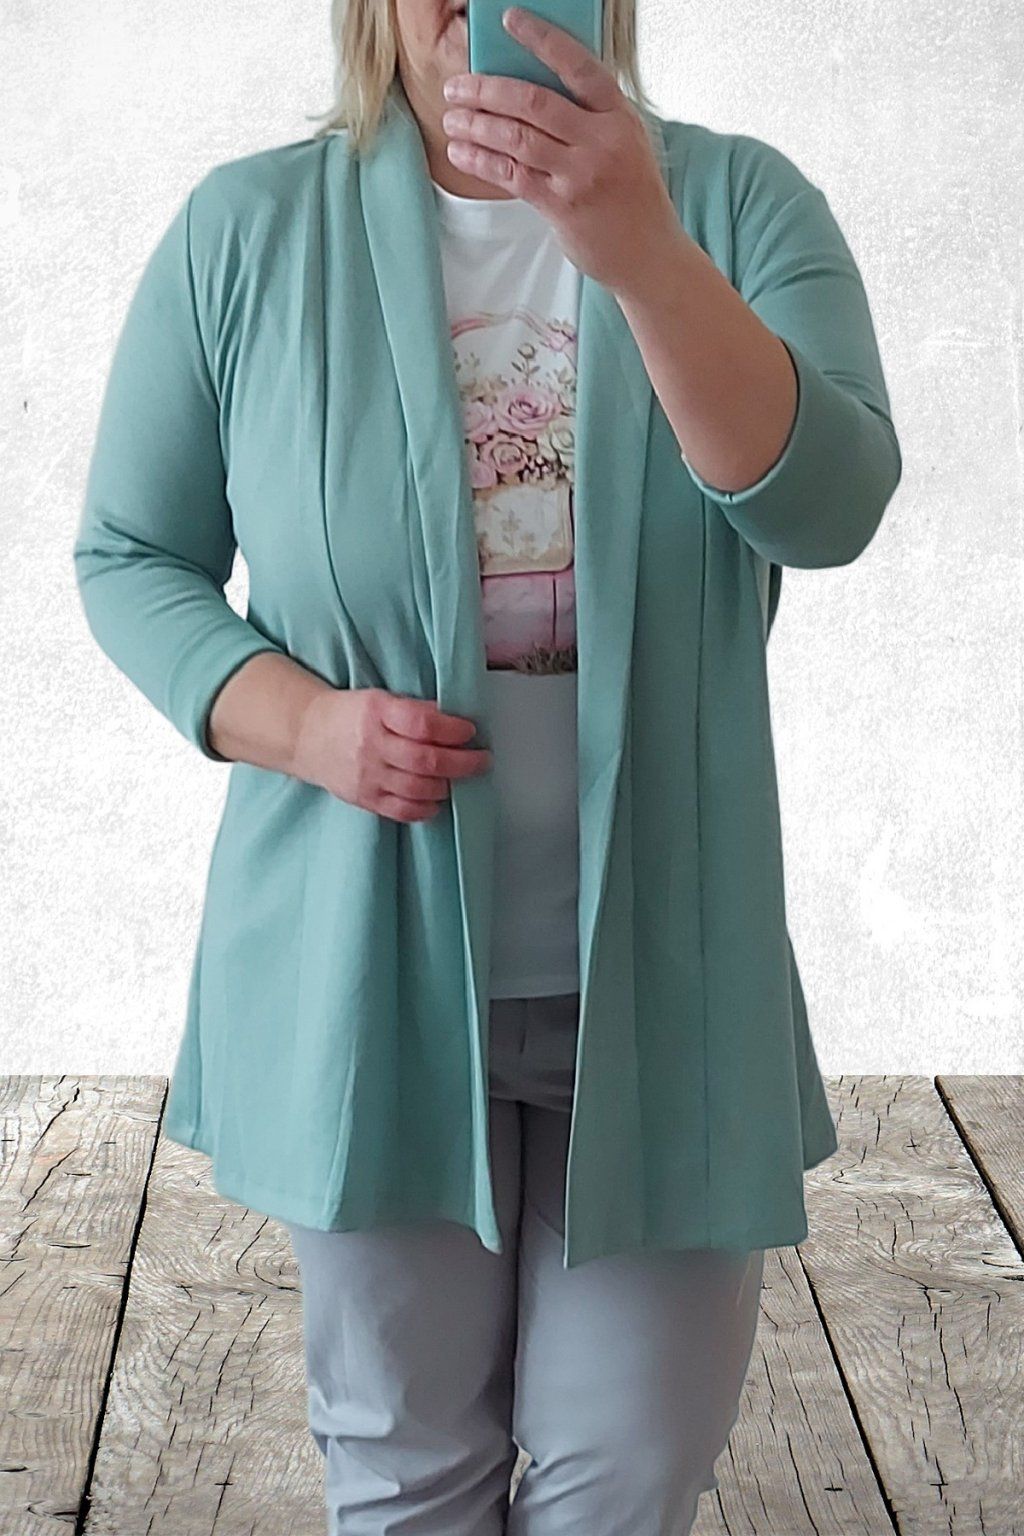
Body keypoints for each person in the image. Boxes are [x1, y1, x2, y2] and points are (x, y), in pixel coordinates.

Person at [73, 1, 902, 1530]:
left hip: (664, 987)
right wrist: (304, 725)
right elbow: (132, 554)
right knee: (406, 1473)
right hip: (364, 984)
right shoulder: (249, 231)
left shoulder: (737, 204)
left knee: (627, 1474)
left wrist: (640, 251)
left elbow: (831, 507)